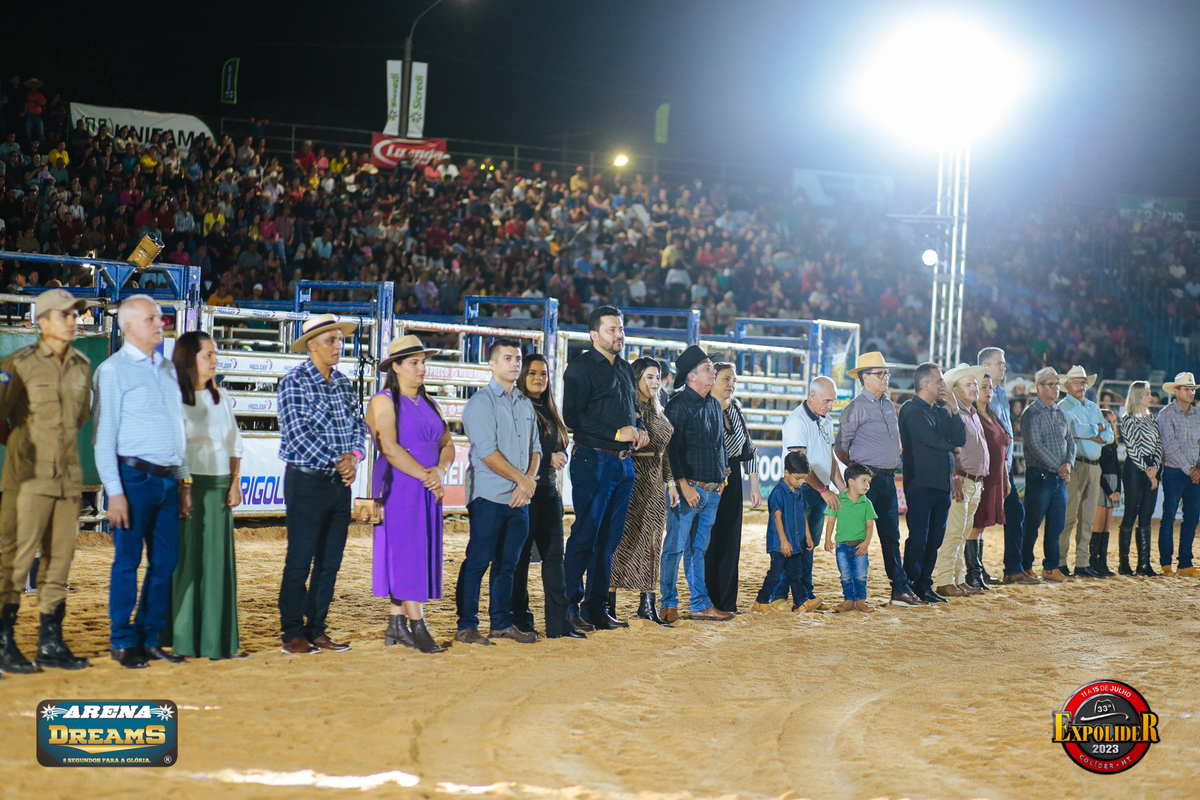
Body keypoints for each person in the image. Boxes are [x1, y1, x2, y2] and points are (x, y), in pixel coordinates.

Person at [96, 295, 191, 669]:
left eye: (160, 317)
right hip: (133, 478)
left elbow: (177, 427)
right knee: (128, 561)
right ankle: (122, 640)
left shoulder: (166, 368)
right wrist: (114, 492)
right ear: (128, 326)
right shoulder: (112, 370)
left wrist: (182, 481)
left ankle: (149, 638)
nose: (161, 323)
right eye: (151, 318)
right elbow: (104, 437)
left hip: (166, 480)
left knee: (165, 562)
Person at [0, 289, 92, 675]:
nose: (73, 321)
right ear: (42, 321)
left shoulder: (82, 365)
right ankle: (3, 642)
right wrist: (20, 446)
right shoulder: (18, 363)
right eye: (65, 315)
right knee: (14, 561)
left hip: (68, 480)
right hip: (27, 480)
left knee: (59, 563)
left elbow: (80, 418)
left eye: (75, 314)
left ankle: (50, 643)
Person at [277, 314, 369, 655]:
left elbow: (358, 426)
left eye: (340, 339)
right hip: (308, 482)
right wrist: (342, 461)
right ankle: (292, 632)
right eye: (331, 340)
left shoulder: (343, 383)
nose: (338, 345)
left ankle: (316, 629)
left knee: (329, 562)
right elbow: (297, 435)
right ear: (312, 345)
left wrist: (355, 457)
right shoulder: (294, 381)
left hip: (336, 483)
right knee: (300, 561)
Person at [366, 335, 454, 654]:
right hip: (399, 484)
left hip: (425, 483)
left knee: (414, 550)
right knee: (406, 552)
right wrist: (428, 476)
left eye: (423, 362)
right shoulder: (383, 401)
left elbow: (448, 444)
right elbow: (389, 447)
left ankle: (396, 623)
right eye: (414, 363)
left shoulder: (430, 402)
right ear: (396, 367)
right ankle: (418, 627)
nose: (421, 368)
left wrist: (440, 471)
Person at [561, 306, 645, 630]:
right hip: (592, 460)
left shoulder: (624, 367)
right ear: (594, 334)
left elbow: (633, 409)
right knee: (585, 535)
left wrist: (640, 428)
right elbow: (572, 416)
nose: (619, 335)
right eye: (612, 329)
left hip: (623, 464)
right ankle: (568, 608)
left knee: (609, 540)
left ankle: (595, 609)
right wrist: (615, 433)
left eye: (621, 329)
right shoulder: (580, 368)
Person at [455, 338, 541, 646]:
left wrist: (526, 482)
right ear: (491, 364)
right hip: (489, 496)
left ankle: (501, 623)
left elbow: (536, 449)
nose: (515, 363)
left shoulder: (525, 404)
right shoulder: (481, 403)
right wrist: (524, 482)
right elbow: (487, 453)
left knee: (508, 564)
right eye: (507, 358)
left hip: (519, 498)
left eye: (517, 358)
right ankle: (466, 625)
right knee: (478, 561)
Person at [165, 331, 244, 660]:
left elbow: (234, 442)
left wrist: (235, 481)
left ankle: (217, 642)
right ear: (189, 359)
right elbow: (174, 448)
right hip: (187, 487)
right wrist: (183, 488)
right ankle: (183, 638)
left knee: (217, 565)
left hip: (219, 486)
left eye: (215, 354)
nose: (215, 360)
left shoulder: (221, 396)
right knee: (187, 563)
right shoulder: (173, 398)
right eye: (208, 354)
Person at [834, 352, 924, 607]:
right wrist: (858, 474)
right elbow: (840, 447)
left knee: (891, 535)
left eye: (886, 373)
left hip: (887, 478)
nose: (885, 377)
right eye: (880, 373)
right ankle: (855, 595)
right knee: (856, 537)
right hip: (868, 480)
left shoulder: (887, 405)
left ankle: (899, 589)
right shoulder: (855, 408)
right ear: (865, 377)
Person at [511, 353, 582, 639]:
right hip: (524, 494)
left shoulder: (549, 408)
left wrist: (559, 453)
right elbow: (514, 449)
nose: (539, 378)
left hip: (549, 492)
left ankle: (559, 623)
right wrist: (547, 457)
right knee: (520, 560)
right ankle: (520, 620)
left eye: (543, 374)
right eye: (532, 373)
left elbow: (557, 442)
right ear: (522, 376)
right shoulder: (517, 406)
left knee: (554, 558)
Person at [661, 345, 731, 622]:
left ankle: (699, 603)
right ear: (691, 376)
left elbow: (719, 443)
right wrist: (683, 485)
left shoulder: (713, 403)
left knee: (696, 549)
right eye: (707, 368)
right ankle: (668, 603)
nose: (713, 371)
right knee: (676, 547)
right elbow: (671, 450)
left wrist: (722, 476)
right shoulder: (677, 406)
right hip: (688, 489)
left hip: (710, 490)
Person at [610, 357, 675, 626]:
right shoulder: (628, 408)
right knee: (622, 540)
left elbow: (665, 452)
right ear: (636, 378)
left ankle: (647, 603)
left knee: (652, 543)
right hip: (632, 479)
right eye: (649, 376)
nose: (656, 382)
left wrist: (670, 483)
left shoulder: (659, 408)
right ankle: (608, 600)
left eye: (658, 377)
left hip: (656, 485)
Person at [898, 362, 967, 604]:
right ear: (925, 383)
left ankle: (924, 585)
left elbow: (960, 437)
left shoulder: (941, 410)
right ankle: (908, 584)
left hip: (942, 483)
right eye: (939, 381)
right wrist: (952, 446)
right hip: (920, 482)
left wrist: (955, 408)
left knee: (935, 539)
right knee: (919, 537)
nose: (943, 386)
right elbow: (930, 438)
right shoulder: (910, 409)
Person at [780, 375, 845, 611]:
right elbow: (800, 464)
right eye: (827, 401)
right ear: (812, 396)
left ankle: (804, 593)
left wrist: (841, 487)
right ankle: (782, 595)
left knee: (809, 544)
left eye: (833, 401)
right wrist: (825, 490)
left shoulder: (825, 419)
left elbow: (830, 456)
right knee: (796, 543)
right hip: (801, 490)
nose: (831, 406)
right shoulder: (797, 422)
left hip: (818, 490)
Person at [705, 362, 762, 613]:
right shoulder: (704, 408)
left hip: (734, 479)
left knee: (730, 538)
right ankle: (708, 600)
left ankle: (727, 601)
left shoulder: (736, 408)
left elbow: (748, 448)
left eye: (734, 380)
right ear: (713, 380)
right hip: (709, 479)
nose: (731, 384)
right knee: (709, 539)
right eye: (726, 379)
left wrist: (754, 484)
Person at [933, 364, 988, 598]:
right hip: (962, 481)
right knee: (955, 532)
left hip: (974, 481)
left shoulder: (972, 412)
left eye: (975, 384)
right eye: (968, 384)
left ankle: (957, 579)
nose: (974, 388)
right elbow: (948, 449)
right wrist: (954, 477)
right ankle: (945, 580)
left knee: (962, 533)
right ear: (954, 390)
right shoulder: (950, 412)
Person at [1018, 367, 1076, 584]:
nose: (1056, 388)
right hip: (1040, 476)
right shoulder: (1030, 413)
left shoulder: (1060, 412)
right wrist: (1061, 467)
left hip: (1057, 477)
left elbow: (1070, 442)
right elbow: (1035, 445)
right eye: (1051, 385)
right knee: (1032, 525)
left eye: (1057, 384)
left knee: (1056, 525)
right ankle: (1025, 566)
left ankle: (1050, 567)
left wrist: (1068, 464)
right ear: (1039, 388)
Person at [1057, 365, 1112, 578]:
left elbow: (1109, 435)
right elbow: (1073, 429)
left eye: (1083, 382)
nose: (1081, 386)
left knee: (1087, 518)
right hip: (1075, 465)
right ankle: (1060, 562)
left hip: (1093, 466)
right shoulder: (1063, 407)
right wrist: (1097, 428)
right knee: (1068, 516)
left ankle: (1082, 562)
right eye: (1077, 382)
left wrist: (1092, 431)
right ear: (1067, 385)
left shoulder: (1092, 406)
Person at [979, 347, 1022, 586]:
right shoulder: (978, 394)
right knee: (981, 518)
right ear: (985, 366)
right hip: (989, 466)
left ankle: (1012, 568)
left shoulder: (1002, 393)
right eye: (1000, 363)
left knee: (1014, 512)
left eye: (1003, 363)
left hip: (1004, 465)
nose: (1004, 367)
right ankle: (978, 570)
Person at [969, 373, 1012, 589]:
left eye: (990, 388)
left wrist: (1005, 477)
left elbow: (1002, 451)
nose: (988, 391)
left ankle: (979, 571)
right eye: (983, 387)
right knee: (975, 525)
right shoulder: (973, 415)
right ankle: (973, 574)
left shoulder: (992, 414)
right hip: (983, 477)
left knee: (982, 525)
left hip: (996, 477)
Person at [752, 451, 810, 613]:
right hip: (779, 544)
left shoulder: (799, 492)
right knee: (775, 574)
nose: (800, 482)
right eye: (797, 478)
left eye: (803, 479)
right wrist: (783, 541)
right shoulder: (778, 492)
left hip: (795, 543)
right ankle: (760, 601)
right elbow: (777, 517)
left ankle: (801, 602)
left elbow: (802, 514)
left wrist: (808, 535)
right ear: (786, 472)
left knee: (795, 574)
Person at [1156, 371, 1200, 577]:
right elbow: (1170, 447)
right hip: (1175, 472)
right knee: (1169, 517)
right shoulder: (1166, 414)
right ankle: (1166, 563)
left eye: (1192, 389)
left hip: (1191, 473)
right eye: (1187, 389)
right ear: (1176, 391)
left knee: (1191, 519)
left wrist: (1197, 469)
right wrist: (1192, 470)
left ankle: (1184, 563)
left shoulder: (1197, 414)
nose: (1191, 392)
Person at [1119, 381, 1163, 576]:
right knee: (1130, 513)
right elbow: (1132, 448)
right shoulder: (1128, 419)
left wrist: (1155, 467)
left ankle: (1143, 564)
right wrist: (1149, 471)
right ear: (1137, 396)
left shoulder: (1151, 418)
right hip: (1135, 469)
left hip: (1151, 467)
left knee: (1146, 515)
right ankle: (1124, 563)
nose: (1150, 397)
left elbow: (1159, 444)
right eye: (1147, 394)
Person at [822, 463, 877, 613]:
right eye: (863, 481)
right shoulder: (837, 500)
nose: (867, 485)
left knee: (861, 575)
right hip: (842, 546)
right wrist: (828, 540)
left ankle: (861, 602)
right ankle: (849, 601)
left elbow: (870, 526)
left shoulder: (867, 503)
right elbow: (831, 521)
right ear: (851, 482)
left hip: (860, 546)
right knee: (845, 575)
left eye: (868, 482)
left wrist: (866, 543)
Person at [1091, 408, 1121, 577]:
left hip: (1113, 483)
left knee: (1106, 526)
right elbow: (1099, 470)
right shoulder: (1099, 443)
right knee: (1098, 524)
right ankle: (1093, 561)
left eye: (1113, 422)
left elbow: (1117, 468)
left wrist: (1118, 490)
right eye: (1108, 422)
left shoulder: (1113, 444)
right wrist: (1110, 491)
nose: (1112, 425)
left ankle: (1102, 562)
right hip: (1103, 485)